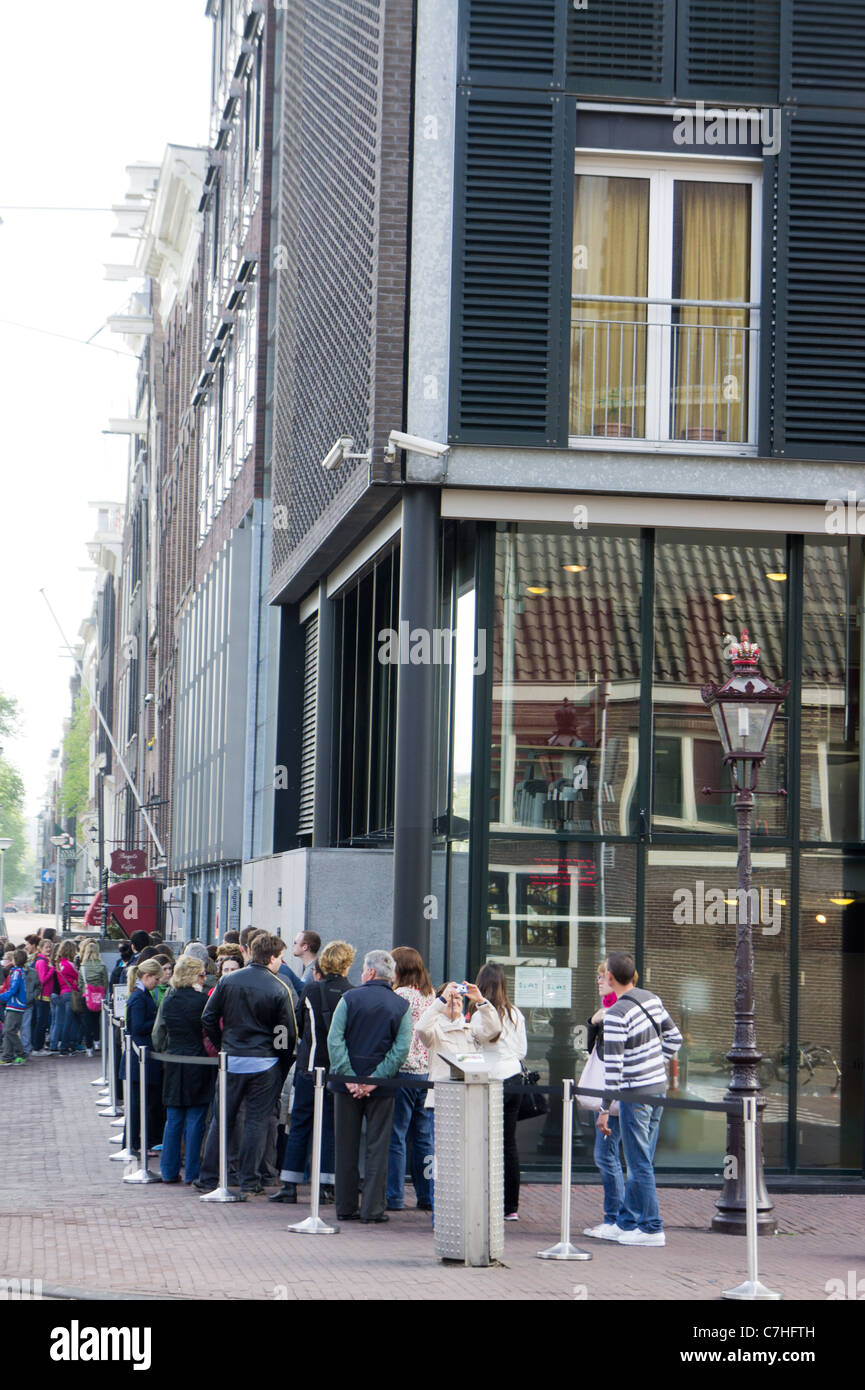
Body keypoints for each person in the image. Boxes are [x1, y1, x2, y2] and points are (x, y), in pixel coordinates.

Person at [197, 932, 297, 1196]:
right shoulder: (278, 987)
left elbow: (208, 1017)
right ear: (273, 958)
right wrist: (281, 1061)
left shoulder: (229, 981)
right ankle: (249, 1180)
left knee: (222, 1119)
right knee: (256, 1121)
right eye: (280, 958)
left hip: (233, 1057)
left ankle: (208, 1176)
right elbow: (285, 1031)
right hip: (263, 1061)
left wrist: (223, 1046)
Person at [597, 950, 683, 1247]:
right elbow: (675, 1039)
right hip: (657, 1090)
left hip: (636, 1094)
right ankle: (629, 1222)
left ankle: (652, 1228)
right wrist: (654, 1064)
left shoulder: (617, 1014)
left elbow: (614, 1069)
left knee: (638, 1162)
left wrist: (605, 1108)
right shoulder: (652, 999)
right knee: (642, 1160)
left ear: (610, 977)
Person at [328, 949, 412, 1225]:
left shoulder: (349, 998)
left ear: (371, 972)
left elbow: (335, 1040)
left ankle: (346, 1205)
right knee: (378, 1147)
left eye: (363, 969)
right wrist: (375, 1080)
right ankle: (373, 1209)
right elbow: (400, 1050)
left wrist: (350, 1077)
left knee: (346, 1145)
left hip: (346, 1085)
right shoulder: (401, 1006)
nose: (361, 974)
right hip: (382, 1086)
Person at [270, 939, 355, 1205]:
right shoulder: (352, 993)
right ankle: (327, 1184)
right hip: (337, 1070)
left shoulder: (310, 991)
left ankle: (290, 1183)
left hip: (309, 1067)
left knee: (301, 1125)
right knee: (331, 1127)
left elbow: (296, 1026)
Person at [465, 964, 527, 1220]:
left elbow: (476, 1047)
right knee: (509, 1144)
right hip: (514, 1076)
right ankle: (510, 1206)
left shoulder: (480, 1014)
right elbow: (522, 1050)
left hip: (490, 1079)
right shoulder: (516, 1014)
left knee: (485, 1143)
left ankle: (488, 1200)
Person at [582, 960, 629, 1241]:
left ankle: (616, 1219)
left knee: (607, 1155)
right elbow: (593, 1049)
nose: (598, 980)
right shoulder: (607, 1010)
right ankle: (620, 1218)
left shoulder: (618, 1012)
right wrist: (593, 1021)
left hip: (613, 1095)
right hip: (610, 1093)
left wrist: (604, 1106)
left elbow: (614, 1061)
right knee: (611, 1155)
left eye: (602, 976)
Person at [386, 946, 435, 1212]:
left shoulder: (400, 995)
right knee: (423, 1137)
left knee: (397, 1136)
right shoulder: (430, 994)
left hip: (402, 1071)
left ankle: (393, 1196)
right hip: (425, 1073)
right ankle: (426, 1195)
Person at [158, 955, 216, 1185]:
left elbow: (160, 1032)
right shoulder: (202, 1001)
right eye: (202, 974)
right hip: (198, 1062)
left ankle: (168, 1170)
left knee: (173, 1118)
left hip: (173, 1060)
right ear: (195, 975)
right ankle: (192, 1171)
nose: (204, 978)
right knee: (195, 1118)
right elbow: (211, 1030)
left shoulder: (169, 1000)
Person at [126, 960, 165, 1157]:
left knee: (139, 1102)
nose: (157, 983)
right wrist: (158, 1020)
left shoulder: (140, 995)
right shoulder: (139, 998)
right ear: (147, 976)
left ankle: (134, 1143)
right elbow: (138, 1026)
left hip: (139, 1056)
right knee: (139, 1102)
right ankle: (134, 1143)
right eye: (156, 979)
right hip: (139, 1057)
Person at [78, 940, 109, 1057]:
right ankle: (97, 1041)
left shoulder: (83, 967)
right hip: (98, 997)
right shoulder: (102, 966)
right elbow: (105, 982)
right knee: (96, 1020)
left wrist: (86, 991)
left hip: (87, 996)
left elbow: (80, 984)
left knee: (87, 1022)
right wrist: (101, 992)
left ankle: (89, 1048)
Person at [0, 949, 28, 1064]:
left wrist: (1, 997)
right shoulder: (20, 971)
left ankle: (21, 1053)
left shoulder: (17, 972)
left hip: (15, 1005)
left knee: (9, 1030)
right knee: (8, 1031)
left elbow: (13, 989)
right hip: (15, 1005)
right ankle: (7, 1056)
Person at [56, 940, 82, 1056]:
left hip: (63, 993)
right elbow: (78, 978)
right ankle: (66, 1046)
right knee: (70, 1021)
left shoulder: (60, 964)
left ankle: (67, 1044)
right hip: (71, 993)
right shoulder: (70, 965)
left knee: (66, 1021)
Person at [31, 939, 56, 1054]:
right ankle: (37, 1047)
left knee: (41, 1022)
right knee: (41, 1023)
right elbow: (42, 980)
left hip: (44, 996)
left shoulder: (44, 961)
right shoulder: (42, 962)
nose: (49, 949)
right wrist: (51, 970)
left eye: (50, 947)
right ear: (41, 948)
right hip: (42, 997)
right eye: (46, 947)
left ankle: (37, 1046)